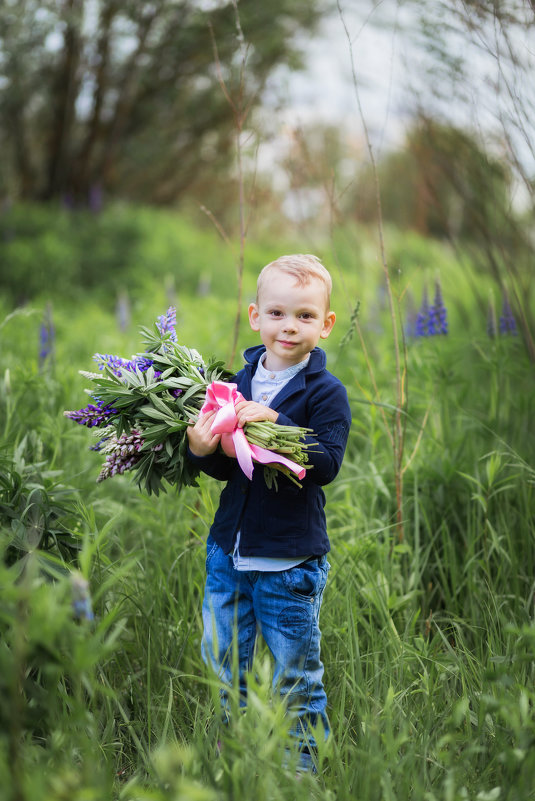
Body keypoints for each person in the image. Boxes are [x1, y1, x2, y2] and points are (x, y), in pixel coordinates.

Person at [186, 254, 351, 773]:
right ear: (256, 316)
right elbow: (230, 471)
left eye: (305, 316)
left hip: (287, 563)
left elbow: (325, 464)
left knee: (294, 675)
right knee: (223, 664)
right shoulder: (235, 384)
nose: (289, 326)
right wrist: (201, 447)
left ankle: (301, 770)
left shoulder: (325, 393)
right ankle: (232, 758)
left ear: (325, 324)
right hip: (228, 555)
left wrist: (276, 421)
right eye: (278, 313)